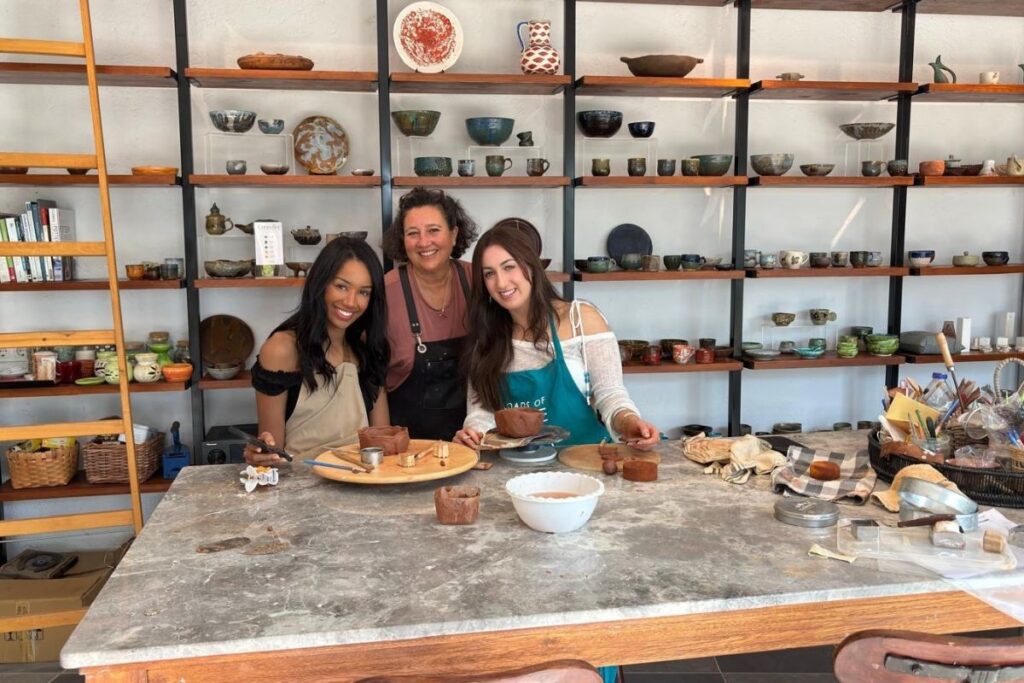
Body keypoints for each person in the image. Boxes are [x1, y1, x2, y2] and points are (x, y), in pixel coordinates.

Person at [454, 224, 659, 451]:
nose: (501, 283)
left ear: (531, 266)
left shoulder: (580, 319)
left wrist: (629, 423)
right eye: (489, 274)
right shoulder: (486, 337)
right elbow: (482, 412)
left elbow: (610, 395)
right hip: (519, 464)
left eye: (509, 267)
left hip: (587, 458)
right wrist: (473, 434)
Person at [244, 237, 390, 465]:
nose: (351, 302)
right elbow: (272, 452)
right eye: (341, 286)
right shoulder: (281, 349)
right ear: (320, 284)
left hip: (363, 479)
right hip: (300, 482)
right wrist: (259, 454)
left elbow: (382, 443)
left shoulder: (367, 348)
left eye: (364, 292)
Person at [381, 187, 480, 440]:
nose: (424, 242)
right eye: (413, 233)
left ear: (454, 234)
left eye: (433, 230)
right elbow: (369, 379)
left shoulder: (479, 280)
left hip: (475, 439)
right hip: (408, 445)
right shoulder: (385, 292)